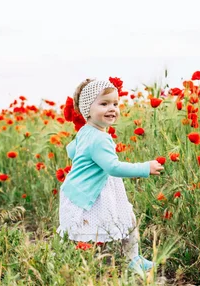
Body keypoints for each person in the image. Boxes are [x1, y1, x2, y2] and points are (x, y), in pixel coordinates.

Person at [56, 78, 164, 273]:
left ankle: (134, 259)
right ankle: (90, 268)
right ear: (86, 110)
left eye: (115, 103)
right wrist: (145, 168)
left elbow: (71, 150)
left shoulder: (86, 132)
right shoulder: (100, 139)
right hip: (91, 194)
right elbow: (113, 168)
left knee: (126, 219)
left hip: (86, 189)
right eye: (104, 104)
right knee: (94, 231)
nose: (112, 108)